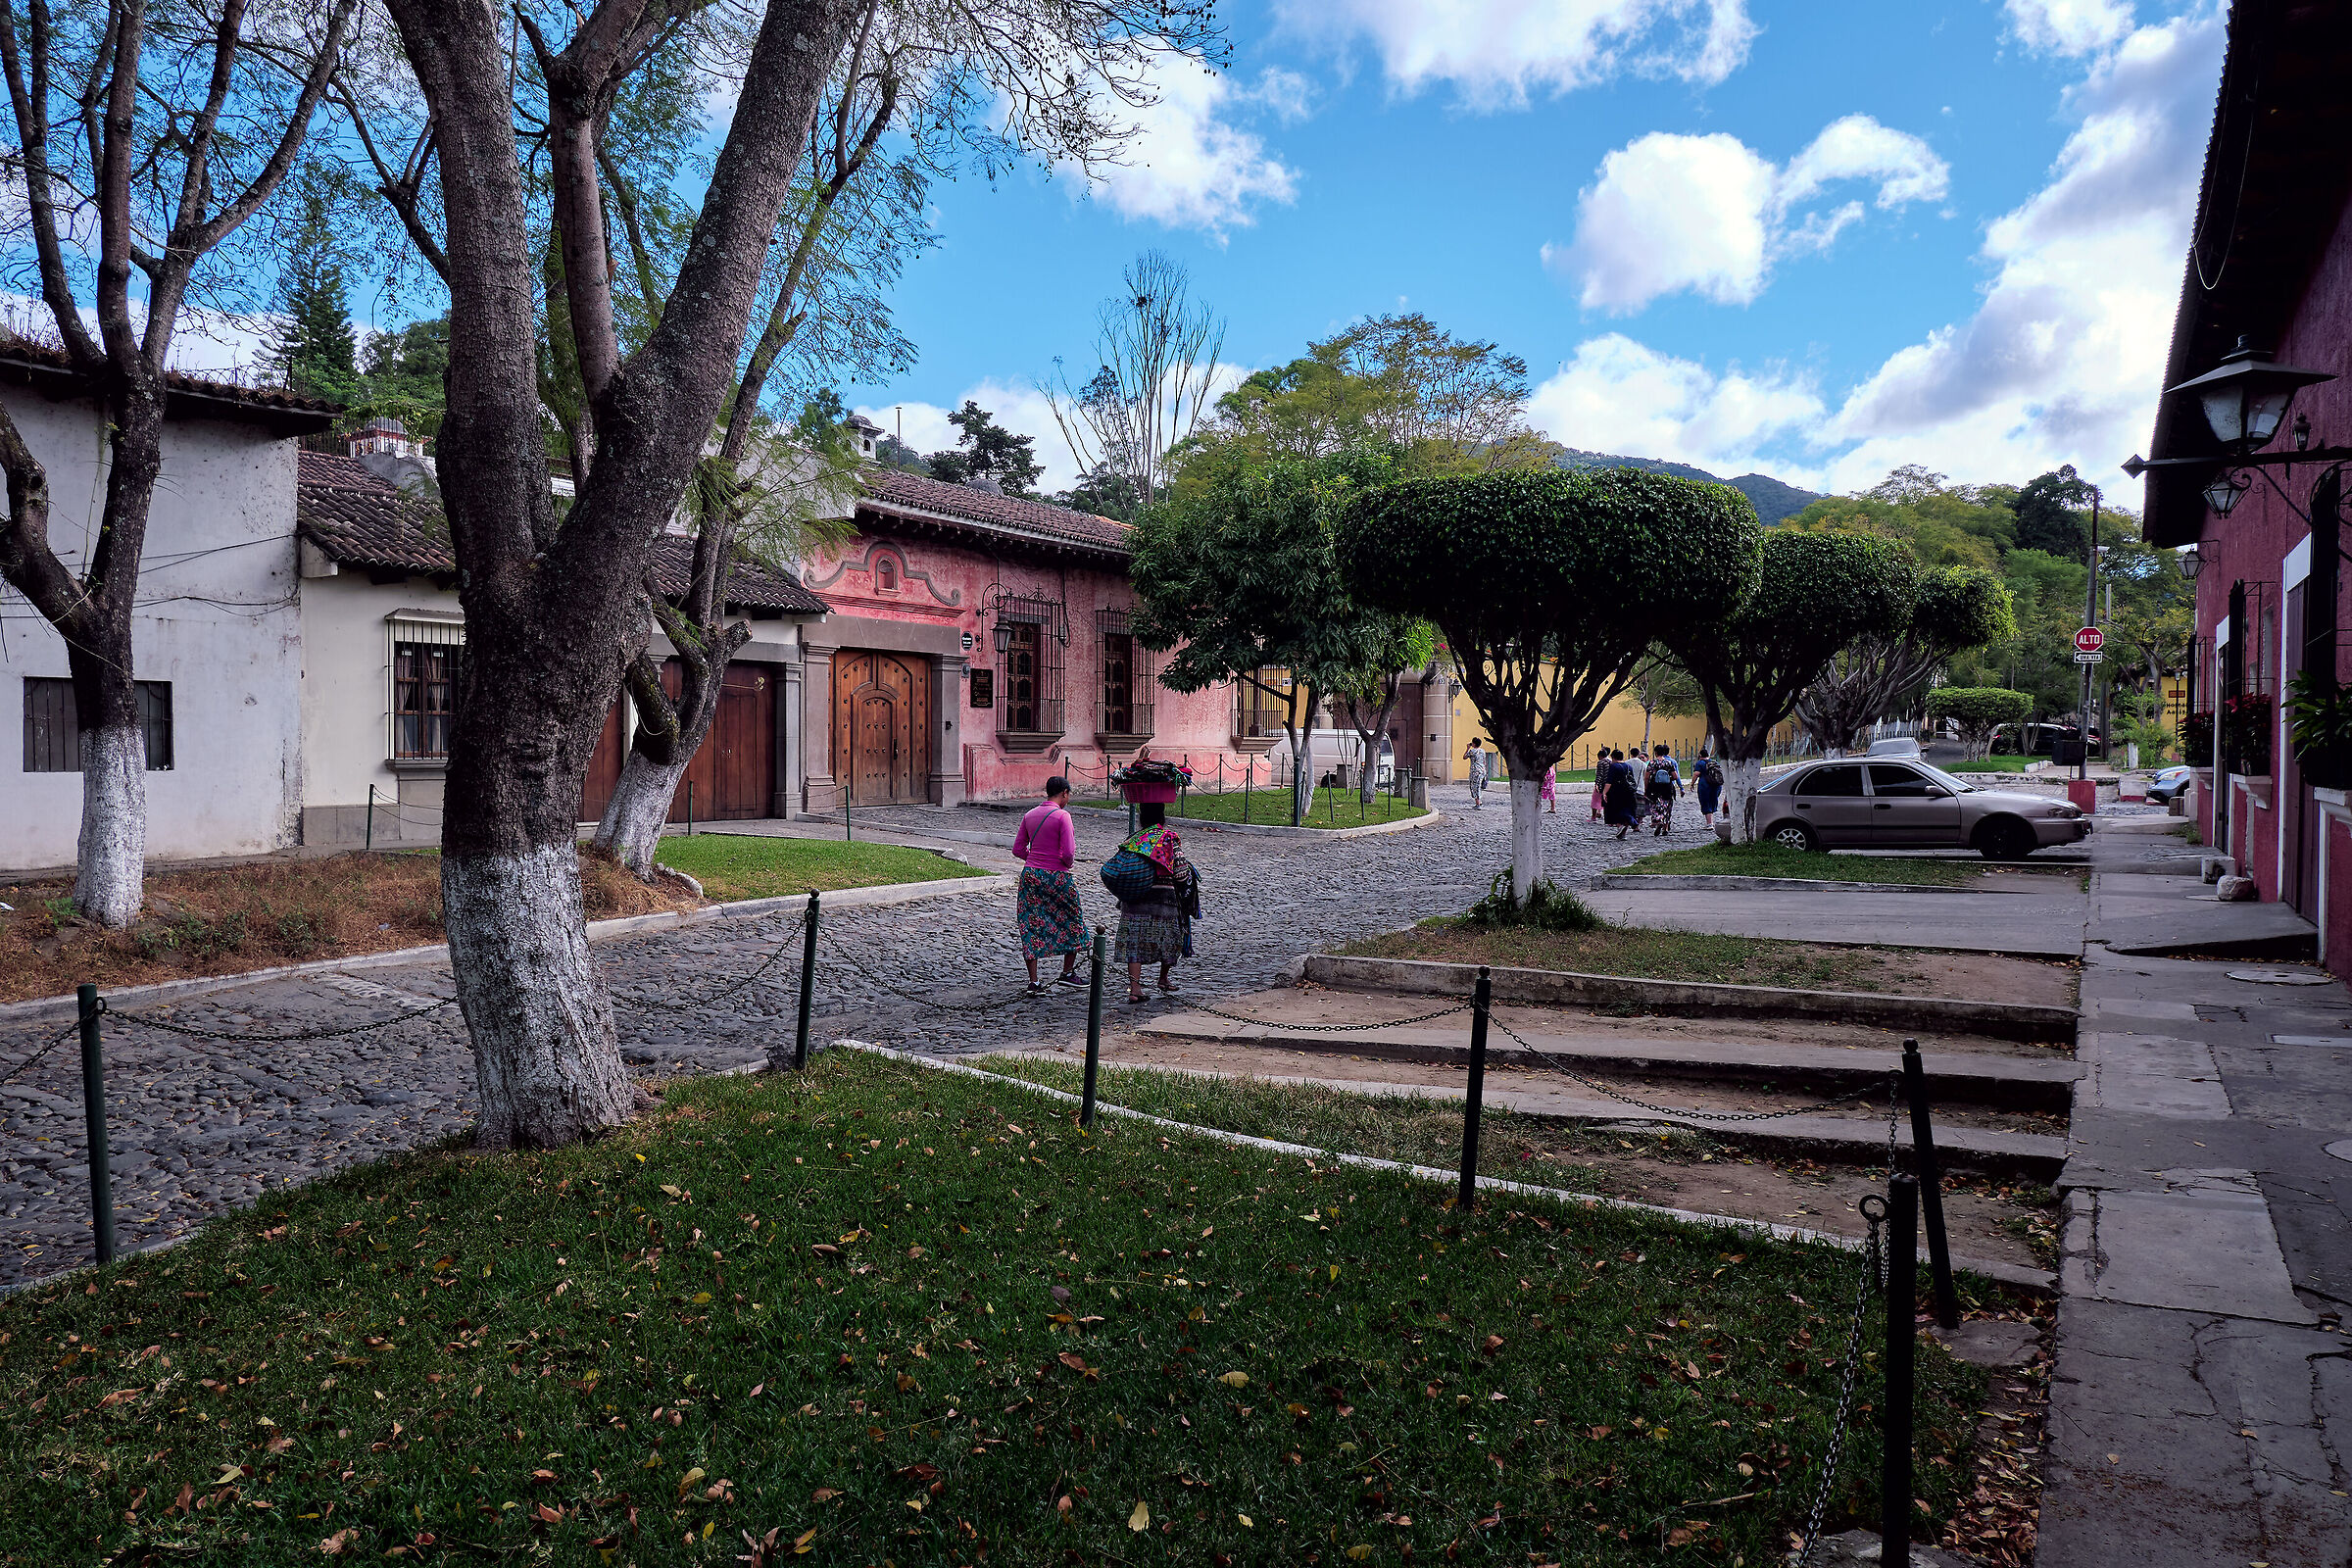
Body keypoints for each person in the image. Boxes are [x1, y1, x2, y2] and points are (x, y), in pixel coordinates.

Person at [1011, 776, 1088, 996]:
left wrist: (1034, 858)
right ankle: (1067, 973)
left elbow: (1018, 849)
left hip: (1031, 875)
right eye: (1068, 795)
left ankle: (1034, 982)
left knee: (1031, 923)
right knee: (1072, 919)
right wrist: (1063, 863)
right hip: (1058, 876)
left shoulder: (1029, 815)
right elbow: (1069, 853)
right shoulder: (1063, 816)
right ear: (1064, 793)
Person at [1114, 819, 1196, 1003]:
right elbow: (1181, 874)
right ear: (1163, 818)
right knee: (1169, 939)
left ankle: (1135, 988)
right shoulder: (1168, 839)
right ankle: (1163, 979)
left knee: (1133, 945)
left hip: (1133, 901)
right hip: (1163, 902)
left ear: (1142, 818)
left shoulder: (1132, 840)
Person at [1603, 749, 1641, 839]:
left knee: (1615, 810)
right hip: (1628, 792)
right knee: (1626, 810)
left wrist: (1604, 792)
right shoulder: (1628, 767)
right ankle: (1623, 832)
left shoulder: (1614, 767)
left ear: (1613, 757)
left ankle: (1620, 826)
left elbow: (1609, 781)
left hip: (1616, 791)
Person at [1645, 744, 1681, 836]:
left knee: (1654, 805)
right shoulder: (1668, 763)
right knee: (1667, 806)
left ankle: (1658, 819)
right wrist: (1668, 779)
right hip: (1667, 788)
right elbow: (1675, 776)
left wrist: (1646, 788)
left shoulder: (1652, 763)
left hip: (1655, 788)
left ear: (1655, 753)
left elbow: (1647, 777)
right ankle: (1665, 827)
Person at [1694, 751, 1724, 828]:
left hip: (1705, 786)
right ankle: (1711, 821)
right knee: (1713, 801)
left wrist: (1692, 783)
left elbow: (1696, 774)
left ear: (1700, 755)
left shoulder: (1700, 763)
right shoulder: (1715, 763)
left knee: (1706, 802)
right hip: (1716, 785)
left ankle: (1709, 823)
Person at [1462, 737, 1491, 808]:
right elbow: (1484, 761)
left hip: (1475, 771)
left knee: (1475, 787)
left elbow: (1464, 757)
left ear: (1474, 743)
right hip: (1482, 770)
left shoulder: (1472, 751)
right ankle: (1479, 802)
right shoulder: (1482, 751)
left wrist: (1467, 748)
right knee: (1479, 786)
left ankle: (1478, 804)